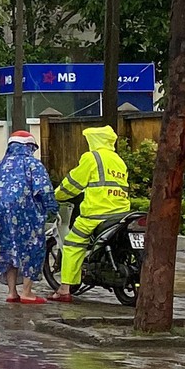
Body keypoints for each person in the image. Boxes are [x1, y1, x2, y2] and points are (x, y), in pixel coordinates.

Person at [51, 125, 129, 302]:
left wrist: (56, 195)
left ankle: (64, 289)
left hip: (96, 213)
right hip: (121, 212)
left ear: (94, 141)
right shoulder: (118, 160)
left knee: (72, 244)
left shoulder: (91, 157)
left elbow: (74, 182)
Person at [0, 129, 55, 304]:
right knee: (31, 247)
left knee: (7, 248)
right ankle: (27, 292)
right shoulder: (33, 164)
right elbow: (44, 189)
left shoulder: (1, 165)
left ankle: (12, 292)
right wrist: (53, 207)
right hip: (25, 211)